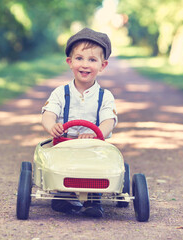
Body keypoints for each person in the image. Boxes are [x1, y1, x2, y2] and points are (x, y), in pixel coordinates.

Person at [41, 28, 118, 218]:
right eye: (79, 58)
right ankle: (64, 194)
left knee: (97, 166)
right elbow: (48, 114)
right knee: (60, 163)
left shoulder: (104, 96)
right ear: (70, 62)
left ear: (102, 65)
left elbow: (109, 119)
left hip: (93, 145)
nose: (85, 65)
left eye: (92, 60)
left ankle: (93, 198)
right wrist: (52, 126)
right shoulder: (60, 93)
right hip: (64, 144)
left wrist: (98, 132)